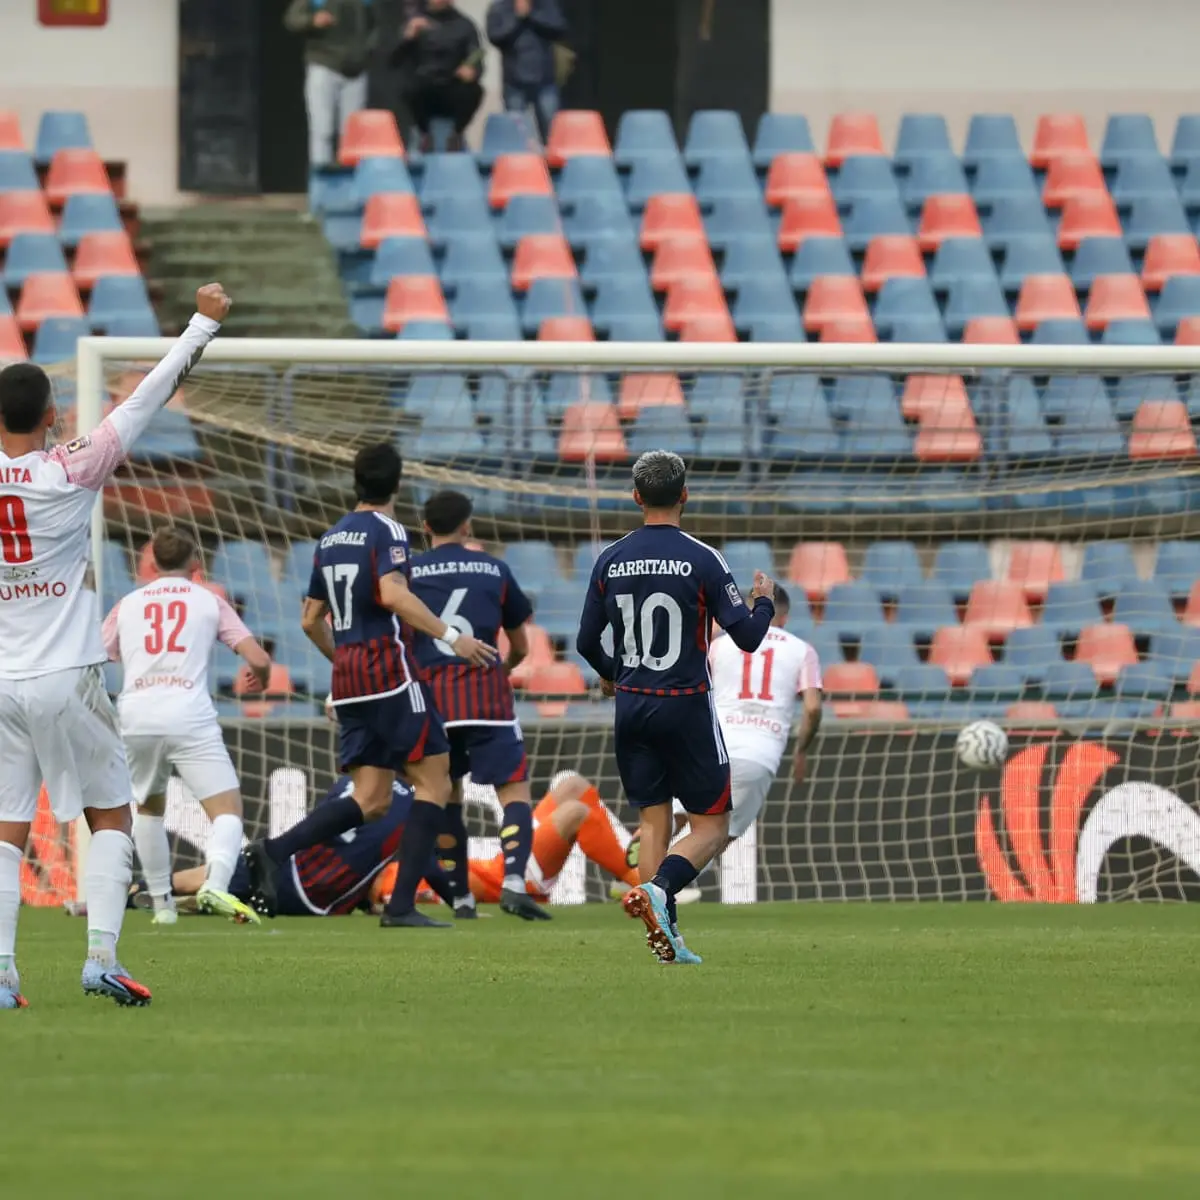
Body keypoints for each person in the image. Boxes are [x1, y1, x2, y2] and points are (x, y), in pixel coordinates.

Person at [0, 281, 230, 1009]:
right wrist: (202, 323)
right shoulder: (72, 465)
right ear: (51, 415)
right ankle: (101, 956)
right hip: (67, 672)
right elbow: (146, 398)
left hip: (2, 678)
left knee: (5, 828)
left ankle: (3, 970)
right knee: (111, 814)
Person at [243, 443, 497, 929]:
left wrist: (344, 663)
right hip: (389, 670)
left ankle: (274, 850)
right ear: (397, 484)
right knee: (435, 780)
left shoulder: (331, 537)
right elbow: (392, 593)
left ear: (355, 482)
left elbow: (310, 618)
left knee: (372, 796)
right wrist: (452, 637)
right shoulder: (389, 531)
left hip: (350, 676)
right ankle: (401, 906)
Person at [576, 450, 775, 965]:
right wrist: (765, 601)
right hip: (686, 703)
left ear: (637, 497)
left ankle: (664, 937)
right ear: (685, 495)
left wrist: (613, 674)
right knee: (711, 825)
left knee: (654, 822)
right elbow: (750, 638)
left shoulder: (610, 559)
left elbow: (583, 640)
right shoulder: (703, 557)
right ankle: (661, 894)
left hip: (633, 706)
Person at [102, 525, 273, 928]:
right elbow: (260, 660)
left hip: (137, 713)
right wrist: (258, 681)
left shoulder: (127, 604)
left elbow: (98, 654)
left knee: (147, 807)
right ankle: (214, 882)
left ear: (151, 564)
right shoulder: (209, 601)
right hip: (188, 712)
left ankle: (162, 905)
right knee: (228, 810)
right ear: (196, 564)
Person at [408, 490, 548, 920]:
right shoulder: (494, 568)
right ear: (468, 526)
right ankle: (511, 883)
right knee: (514, 792)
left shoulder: (407, 573)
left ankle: (462, 896)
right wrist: (503, 668)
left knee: (444, 795)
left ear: (425, 526)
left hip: (433, 701)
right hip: (486, 698)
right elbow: (521, 645)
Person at [709, 583, 823, 849]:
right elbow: (813, 708)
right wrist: (801, 750)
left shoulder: (718, 645)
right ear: (785, 616)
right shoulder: (802, 650)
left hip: (711, 747)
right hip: (758, 753)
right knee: (716, 837)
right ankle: (660, 886)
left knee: (671, 820)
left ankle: (631, 878)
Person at [285, 0, 376, 169]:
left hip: (356, 69)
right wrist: (312, 20)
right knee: (322, 130)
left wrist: (366, 51)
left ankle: (351, 185)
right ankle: (322, 186)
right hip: (323, 64)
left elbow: (377, 24)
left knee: (352, 134)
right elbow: (292, 19)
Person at [392, 0, 484, 149]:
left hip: (452, 87)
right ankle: (424, 135)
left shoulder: (465, 25)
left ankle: (455, 135)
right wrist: (408, 37)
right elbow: (394, 60)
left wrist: (472, 71)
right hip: (425, 87)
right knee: (408, 87)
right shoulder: (415, 22)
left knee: (474, 90)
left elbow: (477, 59)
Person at [486, 0, 568, 141]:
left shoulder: (546, 4)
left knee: (552, 130)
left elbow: (559, 28)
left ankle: (552, 163)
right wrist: (518, 17)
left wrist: (531, 15)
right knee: (517, 133)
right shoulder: (499, 7)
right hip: (514, 80)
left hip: (545, 79)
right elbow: (495, 37)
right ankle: (521, 163)